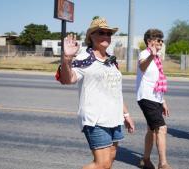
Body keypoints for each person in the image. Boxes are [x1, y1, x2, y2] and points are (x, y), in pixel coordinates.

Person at [55, 16, 135, 169]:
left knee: (110, 159)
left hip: (114, 117)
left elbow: (115, 91)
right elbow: (67, 79)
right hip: (95, 118)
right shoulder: (84, 58)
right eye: (101, 32)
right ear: (91, 36)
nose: (106, 36)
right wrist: (66, 59)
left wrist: (126, 115)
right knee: (102, 164)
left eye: (108, 33)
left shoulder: (111, 61)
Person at [136, 29, 172, 169]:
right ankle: (163, 164)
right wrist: (152, 54)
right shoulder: (145, 54)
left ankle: (145, 160)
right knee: (161, 128)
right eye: (159, 40)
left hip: (155, 98)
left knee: (152, 129)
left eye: (162, 40)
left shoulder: (157, 58)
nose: (161, 42)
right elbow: (142, 66)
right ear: (149, 41)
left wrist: (163, 101)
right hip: (146, 97)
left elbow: (156, 81)